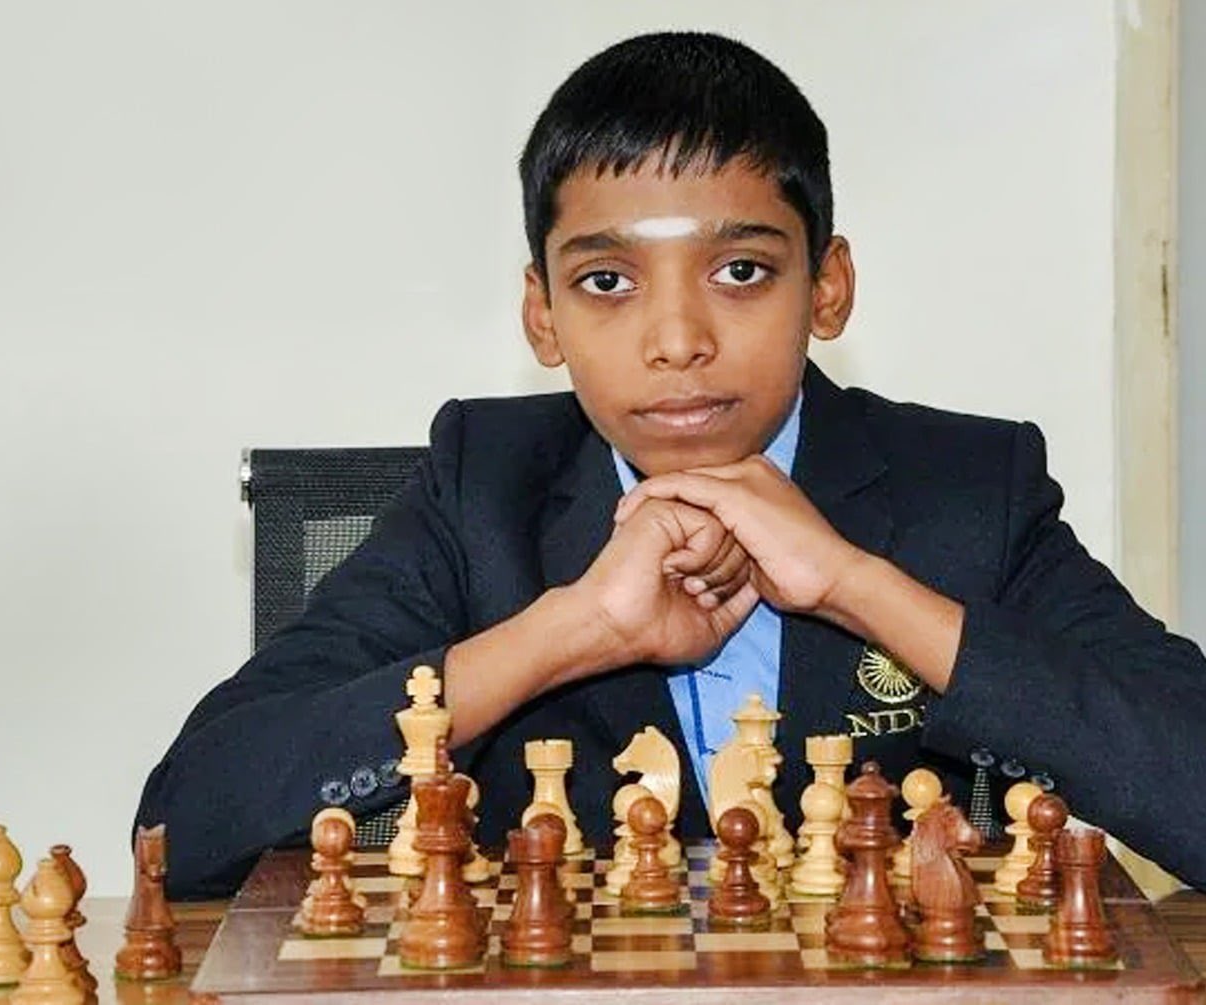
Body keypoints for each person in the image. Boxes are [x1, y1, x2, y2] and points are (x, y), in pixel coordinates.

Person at [136, 31, 1206, 898]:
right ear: (539, 315)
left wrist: (859, 585)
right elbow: (182, 827)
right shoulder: (482, 490)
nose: (677, 339)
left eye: (740, 270)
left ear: (826, 288)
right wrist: (570, 629)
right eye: (607, 282)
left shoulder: (965, 488)